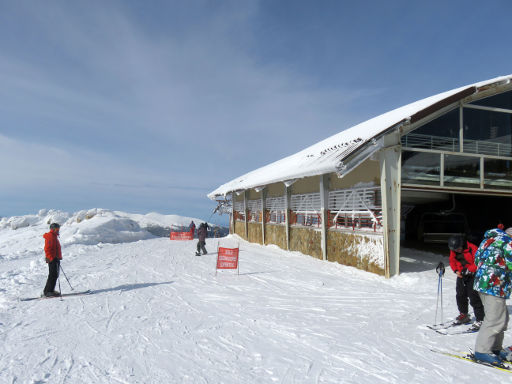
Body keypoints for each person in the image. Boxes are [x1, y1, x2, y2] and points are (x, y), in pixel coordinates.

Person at [473, 227, 512, 365]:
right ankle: (482, 351)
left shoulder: (488, 240)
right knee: (495, 319)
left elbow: (476, 259)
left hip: (482, 284)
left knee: (501, 317)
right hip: (494, 286)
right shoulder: (508, 242)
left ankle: (495, 348)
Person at [447, 235, 485, 330]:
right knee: (460, 295)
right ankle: (464, 315)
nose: (457, 250)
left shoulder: (473, 248)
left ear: (462, 244)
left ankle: (480, 319)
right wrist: (456, 270)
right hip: (462, 274)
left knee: (474, 297)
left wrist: (469, 269)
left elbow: (478, 262)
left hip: (473, 275)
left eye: (459, 248)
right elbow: (452, 260)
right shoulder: (454, 249)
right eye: (455, 250)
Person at [43, 223, 62, 297]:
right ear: (53, 229)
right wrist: (52, 258)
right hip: (52, 259)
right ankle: (48, 291)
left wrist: (58, 257)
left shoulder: (54, 236)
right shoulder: (50, 236)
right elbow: (47, 249)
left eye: (58, 229)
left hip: (55, 258)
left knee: (54, 274)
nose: (58, 231)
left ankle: (49, 290)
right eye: (57, 229)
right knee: (53, 275)